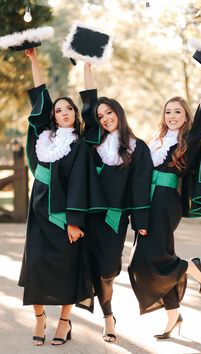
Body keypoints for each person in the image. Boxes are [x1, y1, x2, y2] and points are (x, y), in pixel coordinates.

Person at [18, 48, 103, 346]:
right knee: (37, 264)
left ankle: (64, 322)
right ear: (53, 116)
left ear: (75, 114)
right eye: (59, 110)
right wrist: (33, 60)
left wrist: (74, 221)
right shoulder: (44, 138)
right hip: (39, 209)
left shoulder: (79, 146)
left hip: (65, 214)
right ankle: (40, 319)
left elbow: (79, 184)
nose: (64, 112)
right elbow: (39, 97)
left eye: (69, 109)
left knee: (68, 267)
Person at [128, 69, 201, 339]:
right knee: (142, 261)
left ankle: (191, 267)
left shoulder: (189, 139)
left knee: (151, 259)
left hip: (167, 202)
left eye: (177, 112)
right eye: (168, 112)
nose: (172, 116)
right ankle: (173, 317)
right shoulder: (156, 141)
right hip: (148, 203)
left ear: (185, 116)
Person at [78, 62, 153, 342]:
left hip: (114, 218)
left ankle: (108, 314)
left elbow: (140, 186)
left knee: (108, 268)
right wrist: (87, 67)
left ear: (119, 113)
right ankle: (106, 318)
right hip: (87, 216)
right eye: (101, 115)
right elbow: (87, 103)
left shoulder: (137, 147)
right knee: (89, 267)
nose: (105, 117)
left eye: (109, 112)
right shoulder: (92, 143)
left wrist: (140, 222)